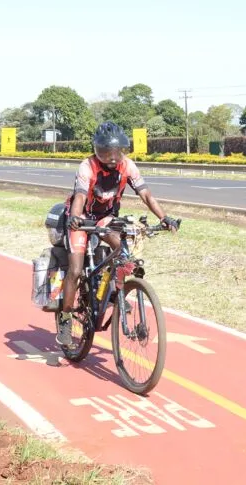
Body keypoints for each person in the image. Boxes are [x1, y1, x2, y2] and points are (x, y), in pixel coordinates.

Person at [55, 121, 179, 345]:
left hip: (106, 216)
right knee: (74, 269)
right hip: (81, 218)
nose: (112, 158)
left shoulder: (129, 166)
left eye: (117, 152)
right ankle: (65, 317)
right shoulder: (87, 166)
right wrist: (74, 218)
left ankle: (116, 293)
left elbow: (146, 195)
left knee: (122, 251)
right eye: (106, 152)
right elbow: (80, 196)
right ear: (97, 150)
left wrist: (164, 217)